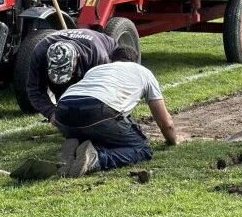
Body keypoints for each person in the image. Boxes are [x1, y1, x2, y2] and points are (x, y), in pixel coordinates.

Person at [53, 45, 178, 177]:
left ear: (111, 60)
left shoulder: (96, 69)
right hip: (98, 109)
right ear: (136, 61)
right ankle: (95, 159)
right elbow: (166, 124)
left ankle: (74, 145)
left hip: (63, 111)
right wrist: (173, 141)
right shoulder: (143, 72)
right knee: (142, 149)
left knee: (94, 129)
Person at [26, 28, 118, 121]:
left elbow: (104, 89)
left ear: (76, 60)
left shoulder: (98, 57)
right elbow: (35, 90)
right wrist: (51, 113)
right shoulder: (40, 52)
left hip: (104, 48)